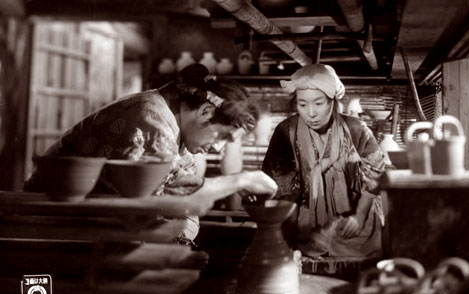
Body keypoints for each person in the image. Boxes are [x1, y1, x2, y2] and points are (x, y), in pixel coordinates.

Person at [24, 63, 277, 246]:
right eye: (223, 136)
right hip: (53, 227)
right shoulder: (151, 116)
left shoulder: (172, 125)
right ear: (205, 112)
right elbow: (173, 188)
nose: (218, 148)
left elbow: (184, 188)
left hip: (88, 225)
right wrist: (240, 180)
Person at [262, 64, 385, 260]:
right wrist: (286, 240)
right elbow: (280, 189)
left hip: (352, 224)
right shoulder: (286, 132)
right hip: (307, 227)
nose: (311, 113)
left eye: (319, 103)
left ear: (333, 102)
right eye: (303, 105)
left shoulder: (356, 129)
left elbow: (376, 175)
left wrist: (359, 216)